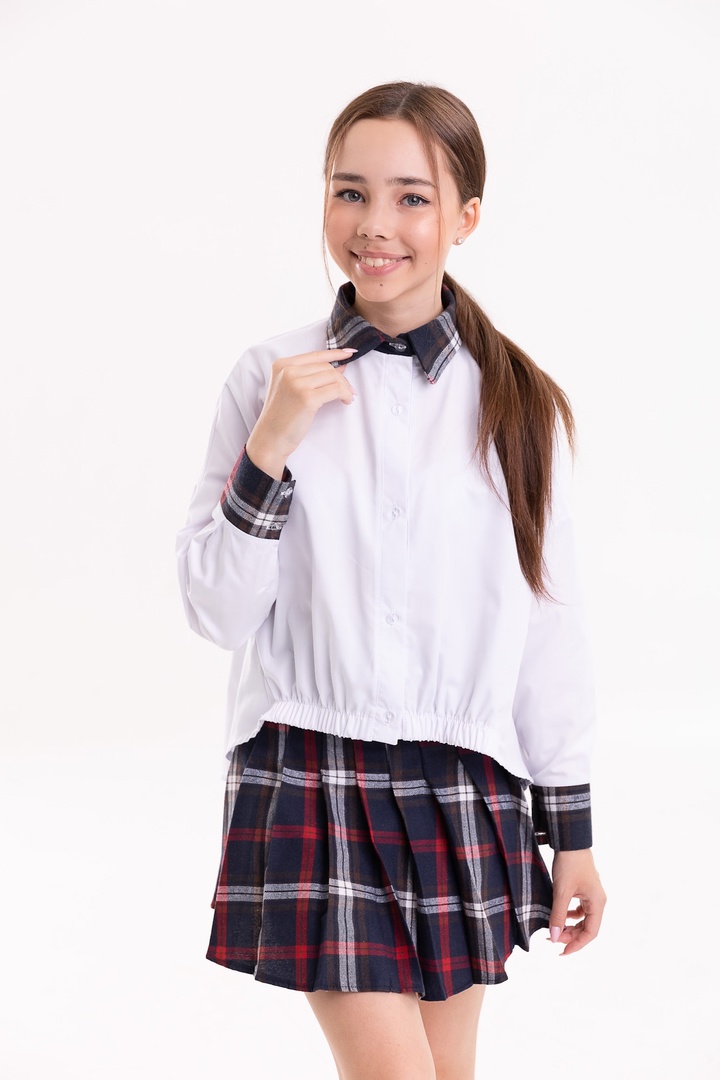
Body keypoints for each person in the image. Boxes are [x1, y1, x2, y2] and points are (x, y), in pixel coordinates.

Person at [176, 81, 606, 1080]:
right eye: (350, 192)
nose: (375, 224)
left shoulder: (518, 404)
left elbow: (549, 628)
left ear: (466, 217)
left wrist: (574, 833)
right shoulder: (268, 376)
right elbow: (215, 610)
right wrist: (270, 449)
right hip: (312, 766)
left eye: (412, 197)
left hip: (465, 779)